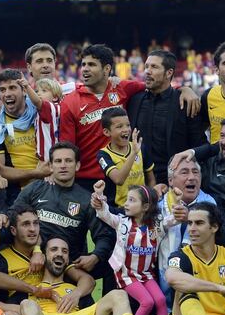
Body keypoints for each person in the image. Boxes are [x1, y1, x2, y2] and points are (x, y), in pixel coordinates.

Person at [60, 44, 198, 190]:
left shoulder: (123, 88)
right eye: (84, 64)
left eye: (92, 64)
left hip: (126, 176)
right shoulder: (70, 102)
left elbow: (156, 86)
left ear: (107, 69)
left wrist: (184, 89)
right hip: (88, 180)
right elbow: (68, 148)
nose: (85, 69)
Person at [16, 238, 160, 315]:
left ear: (67, 260)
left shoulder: (75, 288)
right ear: (43, 255)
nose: (60, 254)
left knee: (118, 294)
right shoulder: (31, 287)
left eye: (64, 251)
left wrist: (76, 294)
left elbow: (91, 293)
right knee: (26, 304)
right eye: (54, 250)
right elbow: (14, 309)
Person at [12, 142, 114, 291]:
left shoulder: (86, 199)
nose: (63, 165)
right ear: (51, 166)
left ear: (77, 165)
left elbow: (105, 236)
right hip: (31, 260)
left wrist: (95, 256)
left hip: (68, 266)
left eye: (68, 161)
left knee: (115, 260)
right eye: (58, 161)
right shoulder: (36, 189)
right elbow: (13, 214)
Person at [92, 182, 172, 315]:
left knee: (160, 299)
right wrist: (99, 198)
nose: (126, 204)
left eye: (131, 200)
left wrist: (178, 208)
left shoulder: (155, 226)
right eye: (127, 200)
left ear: (145, 206)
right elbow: (105, 214)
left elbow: (171, 220)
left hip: (146, 274)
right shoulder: (122, 222)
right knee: (147, 302)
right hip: (126, 275)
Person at [126, 50, 207, 183]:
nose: (147, 71)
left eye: (154, 67)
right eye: (146, 66)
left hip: (173, 182)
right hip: (139, 182)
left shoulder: (185, 103)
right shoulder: (134, 100)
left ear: (169, 73)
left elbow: (199, 145)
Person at [0, 69, 55, 201]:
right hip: (21, 194)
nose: (7, 94)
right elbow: (0, 169)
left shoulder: (41, 111)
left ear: (24, 90)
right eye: (2, 90)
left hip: (53, 184)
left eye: (12, 88)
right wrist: (37, 173)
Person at [157, 158, 215, 307]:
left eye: (195, 172)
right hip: (161, 291)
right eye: (184, 172)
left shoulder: (211, 204)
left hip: (201, 289)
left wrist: (189, 218)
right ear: (170, 180)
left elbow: (218, 238)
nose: (192, 177)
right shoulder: (158, 206)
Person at [97, 108, 157, 208]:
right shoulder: (103, 155)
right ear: (107, 132)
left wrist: (151, 201)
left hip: (141, 208)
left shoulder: (140, 148)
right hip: (119, 210)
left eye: (128, 125)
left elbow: (151, 179)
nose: (126, 129)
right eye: (119, 126)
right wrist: (134, 153)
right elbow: (118, 180)